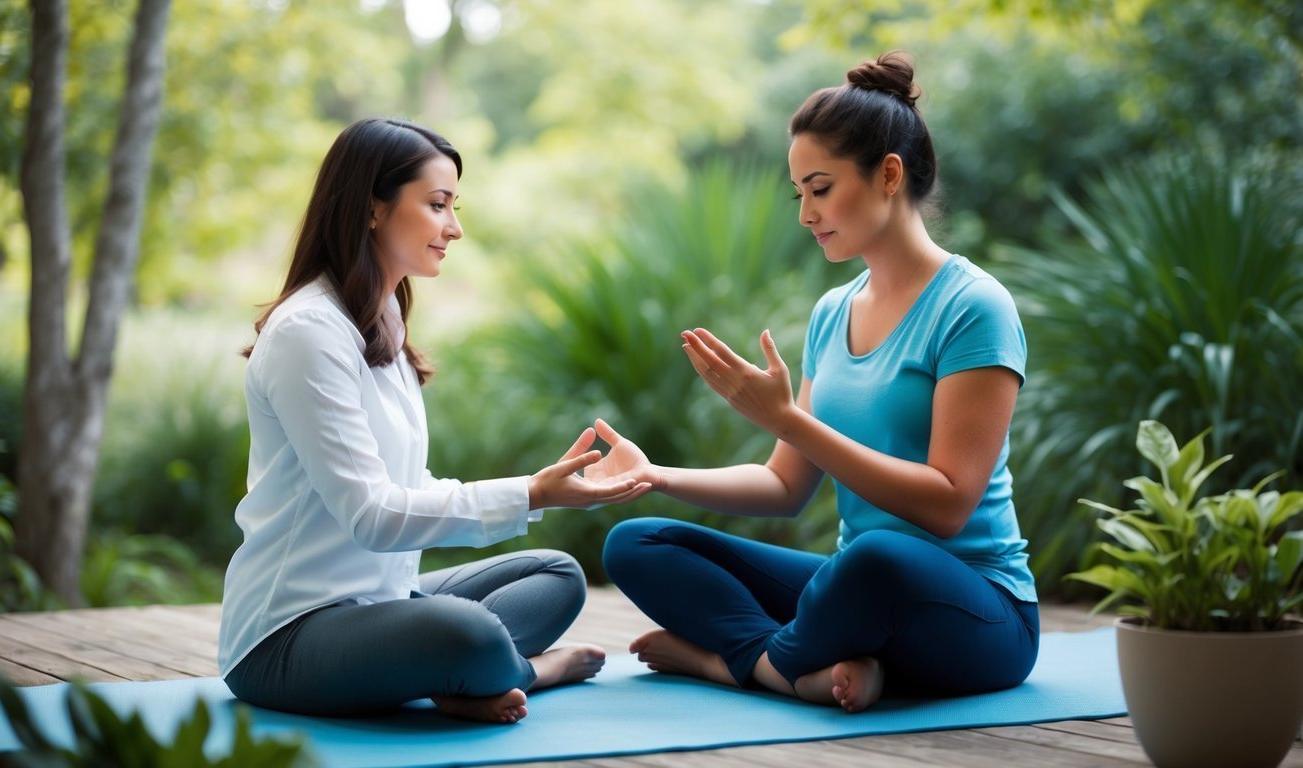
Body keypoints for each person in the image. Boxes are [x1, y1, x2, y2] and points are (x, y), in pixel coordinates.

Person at [592, 52, 1039, 713]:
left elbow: (948, 505)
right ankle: (813, 664)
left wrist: (787, 420)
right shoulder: (834, 312)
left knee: (876, 558)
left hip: (978, 614)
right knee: (637, 542)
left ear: (888, 175)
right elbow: (784, 486)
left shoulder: (973, 307)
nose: (805, 213)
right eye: (797, 192)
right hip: (854, 589)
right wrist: (657, 476)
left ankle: (737, 665)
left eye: (820, 187)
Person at [217, 117, 650, 725]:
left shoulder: (382, 316)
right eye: (438, 204)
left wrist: (541, 493)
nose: (456, 227)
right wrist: (526, 492)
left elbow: (410, 488)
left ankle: (464, 673)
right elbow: (374, 516)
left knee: (557, 574)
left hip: (386, 604)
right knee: (466, 634)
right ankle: (520, 670)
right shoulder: (308, 333)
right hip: (285, 638)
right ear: (373, 209)